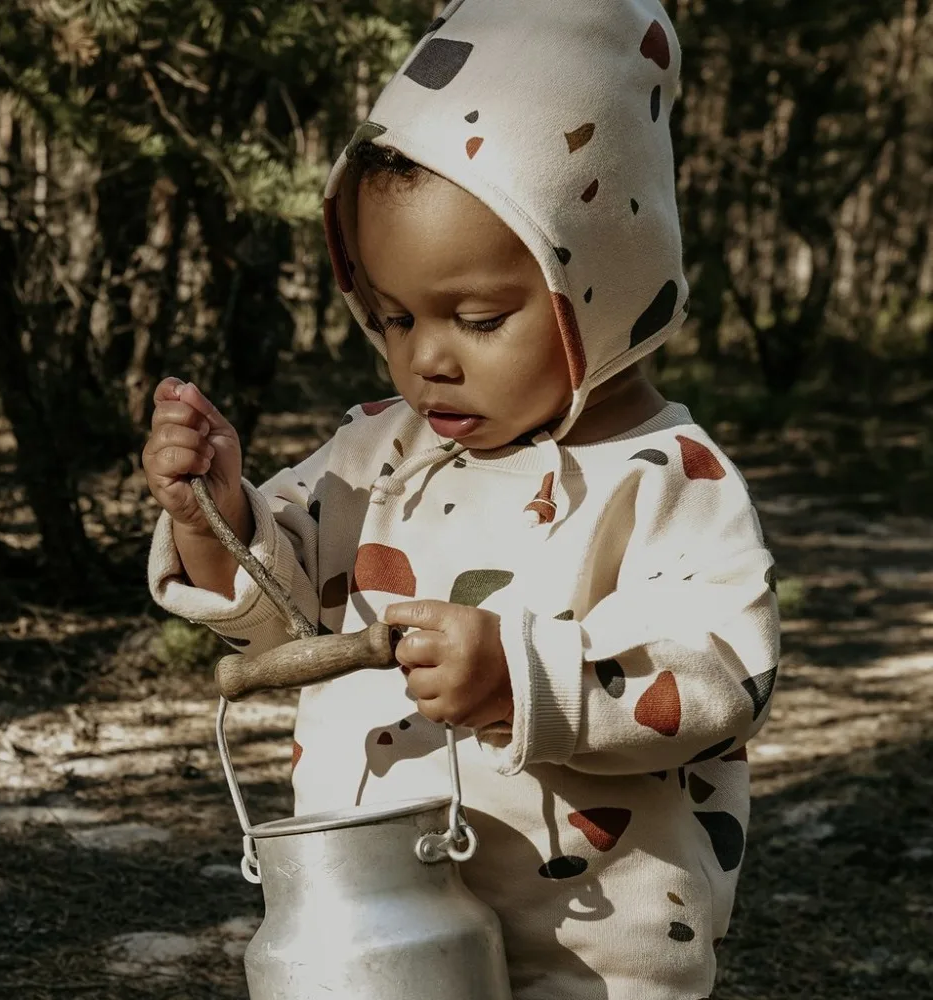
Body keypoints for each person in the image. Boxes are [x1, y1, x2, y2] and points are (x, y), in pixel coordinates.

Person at [143, 2, 781, 997]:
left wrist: (522, 682)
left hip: (589, 961)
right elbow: (275, 614)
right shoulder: (376, 451)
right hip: (372, 934)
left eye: (478, 318)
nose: (425, 359)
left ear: (603, 280)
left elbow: (720, 678)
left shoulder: (667, 480)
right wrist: (214, 518)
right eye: (392, 317)